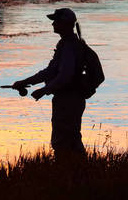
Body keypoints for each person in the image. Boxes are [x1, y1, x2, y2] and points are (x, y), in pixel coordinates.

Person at [12, 8, 88, 161]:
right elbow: (50, 72)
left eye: (56, 21)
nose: (53, 24)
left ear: (65, 24)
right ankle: (80, 173)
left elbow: (65, 76)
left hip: (68, 100)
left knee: (63, 141)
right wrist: (25, 82)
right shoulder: (65, 44)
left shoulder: (68, 47)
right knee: (71, 139)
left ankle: (69, 174)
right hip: (68, 99)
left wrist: (44, 90)